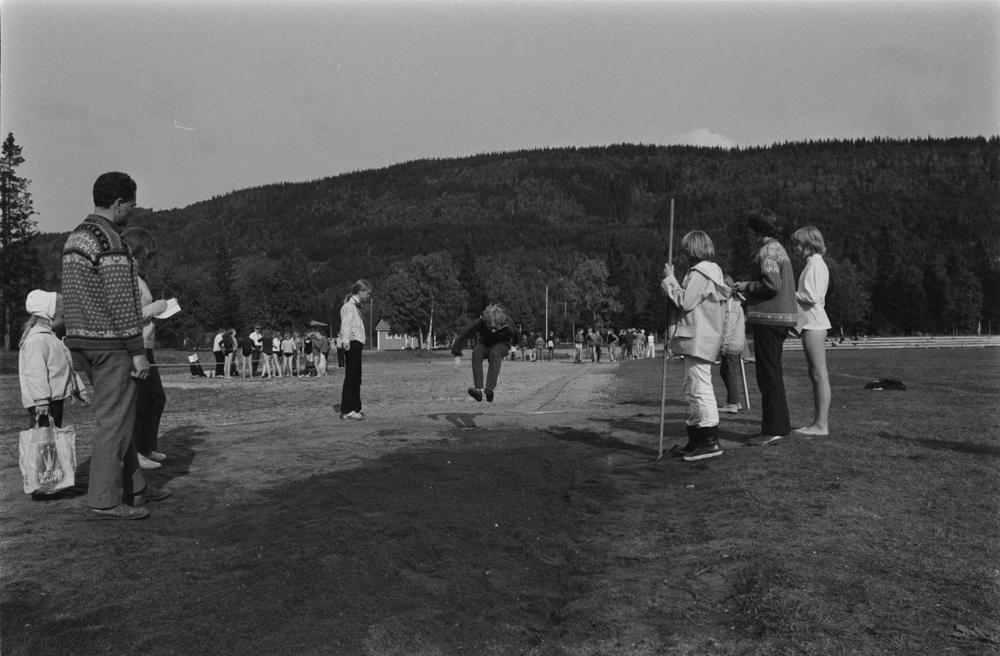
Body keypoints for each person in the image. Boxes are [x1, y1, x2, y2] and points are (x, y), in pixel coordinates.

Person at [62, 171, 170, 520]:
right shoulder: (113, 242)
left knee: (119, 418)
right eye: (132, 206)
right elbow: (123, 303)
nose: (133, 213)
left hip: (82, 341)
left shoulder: (75, 238)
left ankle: (136, 488)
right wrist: (137, 352)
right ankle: (105, 500)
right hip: (111, 344)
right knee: (113, 422)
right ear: (119, 203)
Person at [661, 230, 730, 461]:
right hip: (700, 336)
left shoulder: (701, 273)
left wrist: (670, 280)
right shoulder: (709, 272)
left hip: (700, 336)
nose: (684, 254)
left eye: (686, 250)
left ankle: (710, 441)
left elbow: (685, 300)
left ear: (694, 249)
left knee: (700, 386)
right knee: (693, 386)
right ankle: (696, 439)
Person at [732, 209, 797, 446]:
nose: (750, 235)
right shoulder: (779, 249)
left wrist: (745, 286)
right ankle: (779, 426)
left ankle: (774, 430)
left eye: (752, 231)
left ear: (760, 231)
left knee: (768, 375)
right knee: (772, 373)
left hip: (770, 320)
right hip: (779, 319)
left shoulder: (768, 251)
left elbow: (772, 284)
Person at [121, 227, 170, 470]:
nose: (151, 262)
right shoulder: (129, 281)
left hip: (147, 346)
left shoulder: (141, 281)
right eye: (148, 257)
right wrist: (158, 307)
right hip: (136, 347)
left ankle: (147, 446)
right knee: (139, 402)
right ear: (134, 254)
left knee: (156, 398)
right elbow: (131, 316)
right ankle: (136, 450)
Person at [19, 290, 89, 431]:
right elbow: (35, 372)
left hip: (54, 400)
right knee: (42, 441)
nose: (64, 321)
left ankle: (50, 454)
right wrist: (41, 400)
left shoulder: (51, 338)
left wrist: (79, 389)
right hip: (44, 403)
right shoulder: (37, 340)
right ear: (49, 315)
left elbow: (66, 368)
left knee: (51, 438)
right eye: (62, 316)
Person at [791, 226, 831, 436]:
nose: (794, 248)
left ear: (808, 244)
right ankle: (818, 422)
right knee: (815, 374)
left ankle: (821, 425)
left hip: (814, 324)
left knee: (818, 374)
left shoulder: (815, 264)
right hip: (811, 323)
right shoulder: (812, 264)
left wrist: (788, 292)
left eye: (797, 244)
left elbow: (812, 296)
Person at [451, 303, 521, 403]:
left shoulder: (508, 323)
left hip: (502, 344)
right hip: (486, 343)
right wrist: (456, 354)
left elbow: (517, 336)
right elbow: (466, 332)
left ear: (501, 323)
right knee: (477, 351)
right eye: (490, 327)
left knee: (495, 353)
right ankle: (478, 390)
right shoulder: (481, 321)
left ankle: (490, 389)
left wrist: (514, 346)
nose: (493, 330)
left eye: (495, 328)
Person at [340, 280, 372, 419]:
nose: (368, 296)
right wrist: (346, 342)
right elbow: (346, 325)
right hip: (352, 343)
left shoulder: (355, 307)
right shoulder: (349, 307)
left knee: (356, 377)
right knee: (352, 376)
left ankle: (356, 407)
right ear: (360, 292)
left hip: (356, 343)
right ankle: (347, 409)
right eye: (367, 293)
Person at [718, 276, 746, 414]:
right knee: (726, 372)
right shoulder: (736, 302)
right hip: (736, 343)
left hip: (732, 344)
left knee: (729, 373)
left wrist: (723, 345)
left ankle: (732, 403)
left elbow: (728, 327)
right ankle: (735, 400)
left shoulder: (730, 304)